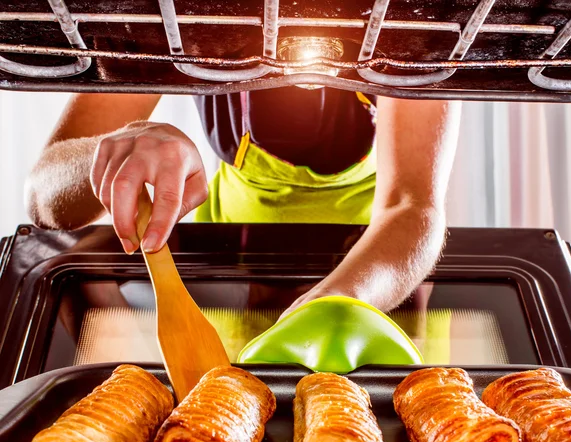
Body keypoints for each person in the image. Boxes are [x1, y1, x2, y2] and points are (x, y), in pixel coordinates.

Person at [25, 87, 460, 315]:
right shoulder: (177, 18)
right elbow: (43, 193)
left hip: (382, 268)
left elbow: (412, 204)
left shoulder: (408, 23)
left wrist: (343, 300)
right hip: (227, 260)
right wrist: (111, 151)